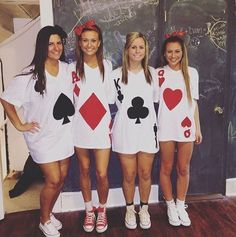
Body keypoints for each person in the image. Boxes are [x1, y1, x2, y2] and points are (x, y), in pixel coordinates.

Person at [0, 25, 75, 237]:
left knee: (61, 178)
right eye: (50, 43)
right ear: (42, 46)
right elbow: (6, 99)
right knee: (52, 179)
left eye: (59, 43)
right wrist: (19, 124)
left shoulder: (67, 69)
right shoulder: (29, 75)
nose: (56, 47)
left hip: (63, 133)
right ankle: (44, 220)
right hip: (41, 137)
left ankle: (49, 214)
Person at [108, 32, 159, 229]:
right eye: (133, 47)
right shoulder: (115, 75)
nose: (137, 51)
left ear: (146, 50)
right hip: (124, 131)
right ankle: (130, 209)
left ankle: (144, 209)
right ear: (127, 50)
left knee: (145, 173)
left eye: (141, 47)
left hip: (147, 130)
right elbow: (110, 102)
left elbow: (155, 101)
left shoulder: (153, 74)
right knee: (129, 175)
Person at [69, 20, 112, 233]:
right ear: (79, 42)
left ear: (99, 42)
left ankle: (102, 211)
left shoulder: (107, 65)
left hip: (102, 126)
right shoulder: (71, 68)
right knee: (84, 169)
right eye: (85, 40)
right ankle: (89, 210)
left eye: (93, 40)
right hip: (80, 127)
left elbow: (111, 97)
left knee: (102, 173)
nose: (89, 44)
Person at [156, 32, 202, 227]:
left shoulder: (192, 72)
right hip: (166, 126)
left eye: (177, 51)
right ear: (164, 54)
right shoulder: (158, 73)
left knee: (183, 168)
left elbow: (194, 102)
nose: (173, 56)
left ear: (183, 52)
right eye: (169, 52)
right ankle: (170, 204)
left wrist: (197, 128)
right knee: (166, 167)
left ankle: (181, 204)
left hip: (186, 127)